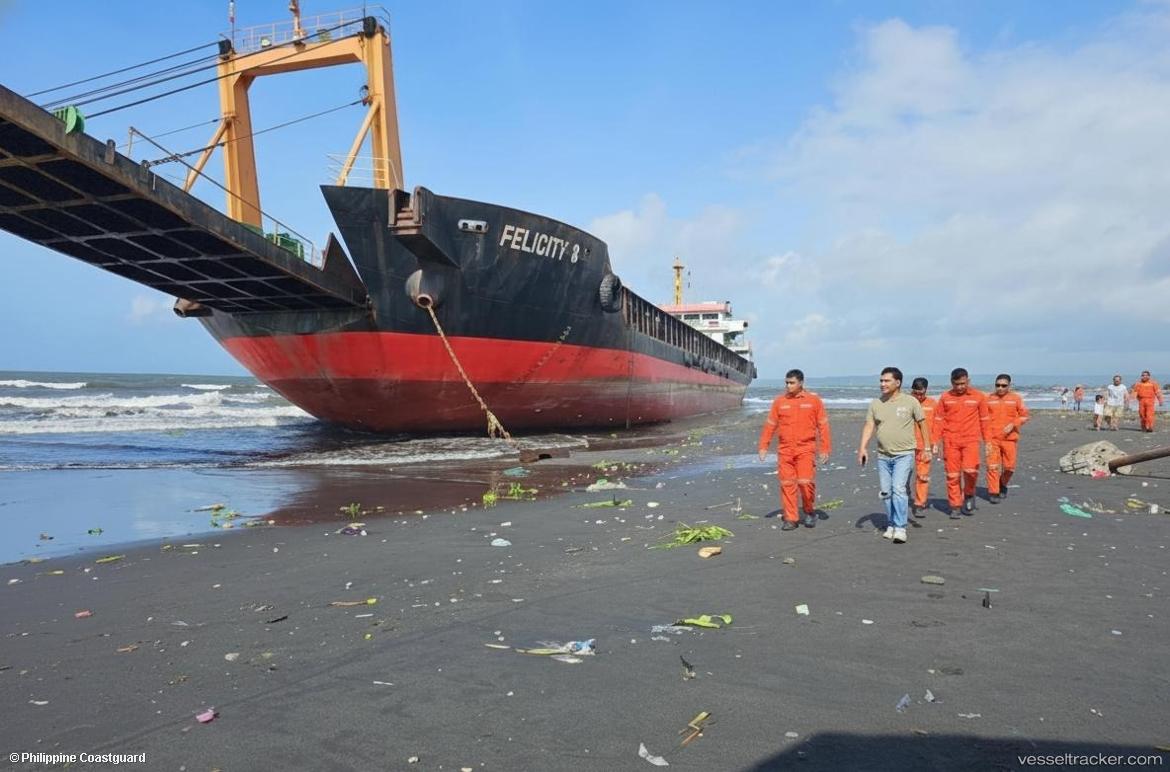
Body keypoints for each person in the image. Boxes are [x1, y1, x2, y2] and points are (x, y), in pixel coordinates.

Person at [857, 367, 930, 544]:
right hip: (883, 456)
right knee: (886, 492)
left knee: (899, 489)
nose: (882, 384)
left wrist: (927, 447)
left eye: (886, 380)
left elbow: (922, 424)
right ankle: (890, 524)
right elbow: (869, 426)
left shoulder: (911, 401)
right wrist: (862, 448)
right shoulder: (876, 403)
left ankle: (900, 527)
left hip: (904, 454)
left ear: (897, 383)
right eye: (881, 381)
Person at [758, 369, 832, 531]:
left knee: (805, 483)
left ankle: (809, 511)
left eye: (792, 383)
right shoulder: (780, 402)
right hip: (785, 450)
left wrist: (825, 449)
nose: (788, 386)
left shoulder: (813, 401)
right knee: (787, 484)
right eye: (786, 383)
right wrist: (763, 446)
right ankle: (791, 518)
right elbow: (770, 425)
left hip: (805, 449)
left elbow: (823, 426)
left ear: (801, 383)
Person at [930, 368, 991, 519]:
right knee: (952, 475)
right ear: (951, 382)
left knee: (971, 471)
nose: (960, 387)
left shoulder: (979, 396)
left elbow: (985, 420)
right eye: (956, 384)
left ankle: (969, 495)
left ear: (968, 381)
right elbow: (938, 420)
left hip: (971, 440)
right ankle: (955, 505)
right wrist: (934, 441)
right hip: (951, 441)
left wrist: (988, 441)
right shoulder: (945, 397)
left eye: (963, 383)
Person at [985, 374, 1029, 503]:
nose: (1000, 388)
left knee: (1009, 467)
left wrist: (1013, 424)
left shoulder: (1016, 399)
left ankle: (1002, 483)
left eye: (1003, 385)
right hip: (992, 438)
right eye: (997, 385)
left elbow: (1025, 415)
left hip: (1010, 439)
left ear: (1009, 386)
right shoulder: (989, 399)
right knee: (992, 466)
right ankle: (993, 492)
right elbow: (982, 417)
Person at [909, 377, 937, 518]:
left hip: (924, 446)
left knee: (922, 476)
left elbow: (937, 425)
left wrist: (935, 443)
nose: (919, 397)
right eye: (916, 393)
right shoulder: (905, 402)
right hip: (906, 446)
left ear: (926, 390)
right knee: (904, 475)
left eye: (921, 394)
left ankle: (920, 503)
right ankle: (905, 494)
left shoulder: (932, 404)